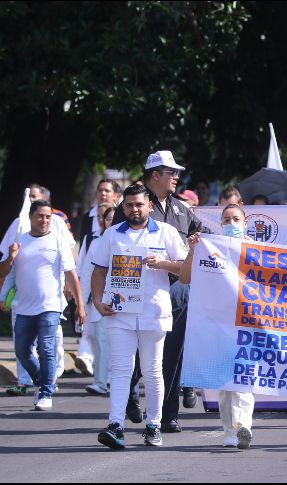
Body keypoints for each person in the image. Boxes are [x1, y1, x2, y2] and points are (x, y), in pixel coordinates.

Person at [112, 150, 208, 432]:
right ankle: (130, 395)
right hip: (137, 292)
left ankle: (168, 416)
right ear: (155, 175)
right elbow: (117, 249)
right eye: (171, 173)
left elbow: (202, 235)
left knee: (172, 356)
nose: (176, 177)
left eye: (177, 173)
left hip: (176, 292)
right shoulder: (133, 206)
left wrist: (200, 240)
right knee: (138, 357)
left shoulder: (181, 208)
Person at [92, 183, 187, 449]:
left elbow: (185, 271)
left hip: (153, 313)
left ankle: (153, 425)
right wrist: (98, 300)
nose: (135, 209)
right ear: (123, 208)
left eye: (139, 204)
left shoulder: (166, 232)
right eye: (130, 205)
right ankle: (115, 425)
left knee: (152, 370)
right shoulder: (112, 235)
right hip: (119, 312)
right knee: (120, 370)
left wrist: (163, 263)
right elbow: (99, 270)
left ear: (149, 206)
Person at [181, 204, 255, 449]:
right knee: (224, 383)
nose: (231, 223)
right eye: (226, 219)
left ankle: (243, 426)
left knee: (243, 380)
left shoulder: (259, 250)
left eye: (236, 219)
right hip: (218, 324)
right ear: (220, 223)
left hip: (247, 323)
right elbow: (186, 277)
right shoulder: (210, 247)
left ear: (245, 223)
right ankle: (230, 433)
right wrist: (194, 250)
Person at [0, 200, 86, 410]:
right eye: (40, 216)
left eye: (48, 217)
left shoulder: (58, 241)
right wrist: (10, 259)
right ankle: (42, 381)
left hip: (50, 305)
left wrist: (80, 305)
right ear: (31, 217)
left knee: (46, 348)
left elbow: (71, 274)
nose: (45, 220)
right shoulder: (20, 241)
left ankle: (46, 392)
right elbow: (6, 273)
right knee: (22, 351)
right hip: (23, 307)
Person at [77, 204, 115, 394]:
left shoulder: (129, 241)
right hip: (100, 301)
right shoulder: (95, 243)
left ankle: (115, 379)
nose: (110, 222)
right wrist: (82, 303)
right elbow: (87, 274)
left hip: (124, 301)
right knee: (99, 339)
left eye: (115, 219)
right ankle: (101, 381)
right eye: (107, 219)